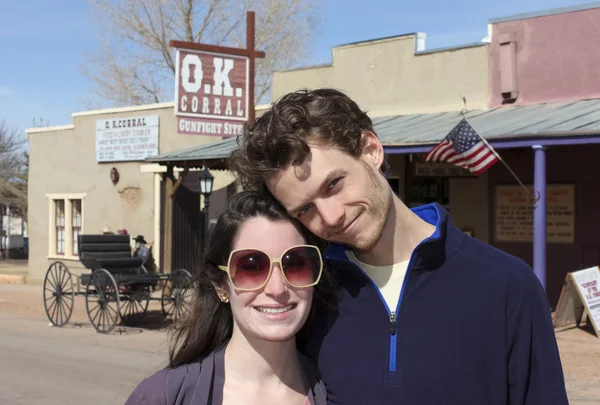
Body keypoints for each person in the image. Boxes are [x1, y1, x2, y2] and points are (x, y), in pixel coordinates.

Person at [228, 88, 569, 405]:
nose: (330, 217)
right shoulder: (306, 294)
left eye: (334, 184)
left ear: (371, 150)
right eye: (305, 209)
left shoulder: (507, 284)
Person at [125, 191, 336, 405]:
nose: (277, 288)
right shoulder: (162, 397)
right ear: (221, 285)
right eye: (252, 267)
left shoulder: (338, 392)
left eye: (295, 264)